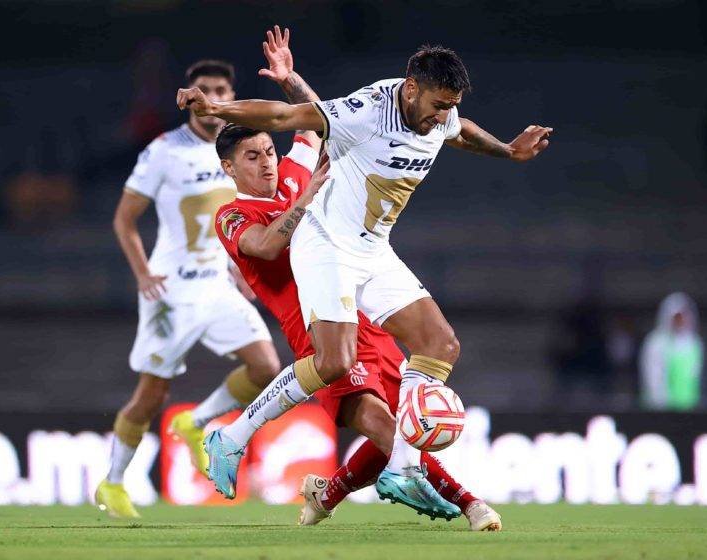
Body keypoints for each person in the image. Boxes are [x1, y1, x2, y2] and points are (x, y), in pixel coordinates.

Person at [177, 33, 551, 510]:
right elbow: (285, 119)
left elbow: (459, 129)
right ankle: (232, 438)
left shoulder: (436, 114)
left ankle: (400, 469)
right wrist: (218, 110)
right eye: (438, 104)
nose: (443, 115)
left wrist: (508, 150)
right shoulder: (370, 110)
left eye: (450, 105)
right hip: (326, 248)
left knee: (441, 345)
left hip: (372, 252)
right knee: (334, 361)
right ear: (411, 89)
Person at [95, 59, 282, 518]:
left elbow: (233, 219)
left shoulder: (239, 145)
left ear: (230, 93)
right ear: (189, 95)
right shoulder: (163, 151)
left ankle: (195, 422)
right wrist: (142, 273)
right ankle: (113, 482)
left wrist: (239, 271)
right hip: (171, 292)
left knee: (266, 366)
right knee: (151, 393)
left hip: (217, 285)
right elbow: (125, 219)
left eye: (221, 87)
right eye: (204, 87)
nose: (212, 95)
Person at [639, 292, 704, 410]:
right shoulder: (656, 342)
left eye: (684, 316)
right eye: (677, 317)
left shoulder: (694, 343)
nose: (682, 320)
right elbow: (654, 380)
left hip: (690, 410)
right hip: (661, 410)